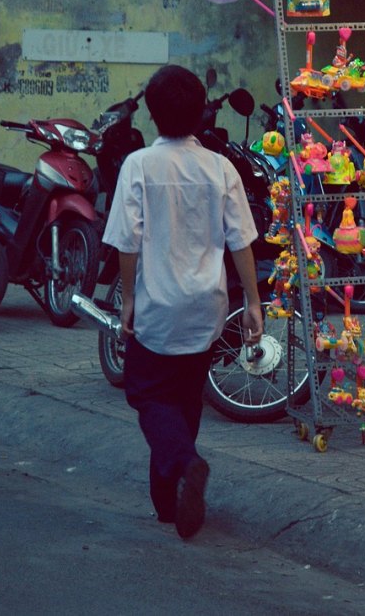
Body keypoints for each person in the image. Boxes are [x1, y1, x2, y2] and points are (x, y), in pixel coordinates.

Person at [103, 64, 264, 540]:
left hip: (157, 304)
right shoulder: (220, 167)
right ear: (200, 115)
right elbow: (241, 242)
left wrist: (128, 300)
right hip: (206, 307)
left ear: (152, 116)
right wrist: (253, 302)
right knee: (185, 402)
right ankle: (169, 503)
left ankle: (187, 465)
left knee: (149, 395)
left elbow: (126, 243)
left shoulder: (139, 165)